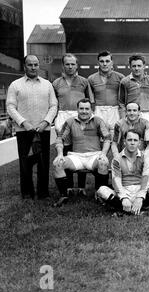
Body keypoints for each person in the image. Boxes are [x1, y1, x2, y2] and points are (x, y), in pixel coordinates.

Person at [6, 55, 58, 199]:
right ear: (24, 66)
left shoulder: (47, 84)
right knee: (25, 162)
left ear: (39, 65)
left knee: (43, 162)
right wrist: (24, 122)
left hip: (43, 130)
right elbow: (10, 107)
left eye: (36, 64)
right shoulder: (15, 85)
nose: (33, 67)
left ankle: (43, 193)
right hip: (24, 131)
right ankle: (27, 193)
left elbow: (54, 105)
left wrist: (45, 122)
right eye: (30, 65)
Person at [52, 98, 110, 207]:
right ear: (77, 109)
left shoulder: (98, 121)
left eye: (87, 109)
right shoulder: (70, 121)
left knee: (103, 162)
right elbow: (60, 138)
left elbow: (107, 138)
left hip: (94, 156)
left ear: (91, 110)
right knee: (58, 163)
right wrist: (60, 154)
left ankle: (101, 195)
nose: (84, 111)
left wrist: (103, 153)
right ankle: (63, 196)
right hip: (76, 157)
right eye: (81, 108)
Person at [96, 129, 149, 216]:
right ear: (125, 142)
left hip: (140, 189)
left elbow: (146, 178)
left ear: (139, 143)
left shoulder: (145, 158)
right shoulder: (117, 159)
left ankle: (124, 211)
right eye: (129, 140)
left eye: (135, 140)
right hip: (124, 189)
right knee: (101, 190)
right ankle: (139, 211)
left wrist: (140, 197)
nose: (132, 143)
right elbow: (116, 181)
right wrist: (124, 197)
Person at [53, 53, 95, 194]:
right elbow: (53, 104)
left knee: (79, 150)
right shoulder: (56, 83)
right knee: (66, 151)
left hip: (80, 116)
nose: (70, 67)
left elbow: (90, 102)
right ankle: (69, 186)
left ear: (77, 65)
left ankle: (82, 187)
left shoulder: (84, 81)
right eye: (67, 64)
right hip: (63, 116)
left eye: (73, 64)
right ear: (63, 65)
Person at [88, 50, 125, 137]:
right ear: (98, 63)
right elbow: (90, 99)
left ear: (112, 62)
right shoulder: (91, 79)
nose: (105, 64)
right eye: (102, 61)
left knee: (115, 137)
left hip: (114, 110)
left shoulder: (120, 77)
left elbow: (123, 99)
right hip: (98, 110)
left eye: (107, 61)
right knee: (99, 137)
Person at [119, 53, 149, 124]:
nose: (136, 68)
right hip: (131, 114)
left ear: (144, 66)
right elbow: (121, 103)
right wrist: (123, 120)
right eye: (134, 66)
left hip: (147, 114)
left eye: (139, 66)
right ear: (130, 67)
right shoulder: (124, 82)